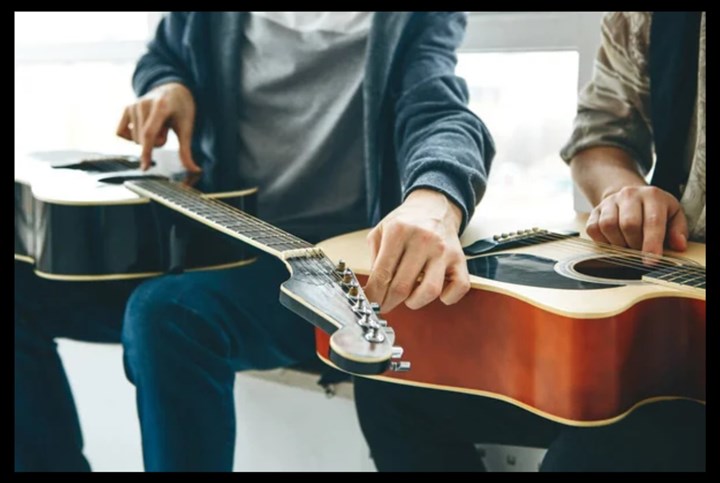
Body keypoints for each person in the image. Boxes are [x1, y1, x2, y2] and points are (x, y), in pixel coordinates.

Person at [111, 12, 494, 472]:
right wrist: (167, 85)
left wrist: (433, 200)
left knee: (164, 315)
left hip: (337, 273)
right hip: (217, 243)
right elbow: (163, 57)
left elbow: (440, 113)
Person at [352, 11, 705, 472]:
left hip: (685, 380)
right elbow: (599, 138)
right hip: (662, 326)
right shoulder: (644, 18)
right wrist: (623, 193)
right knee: (396, 380)